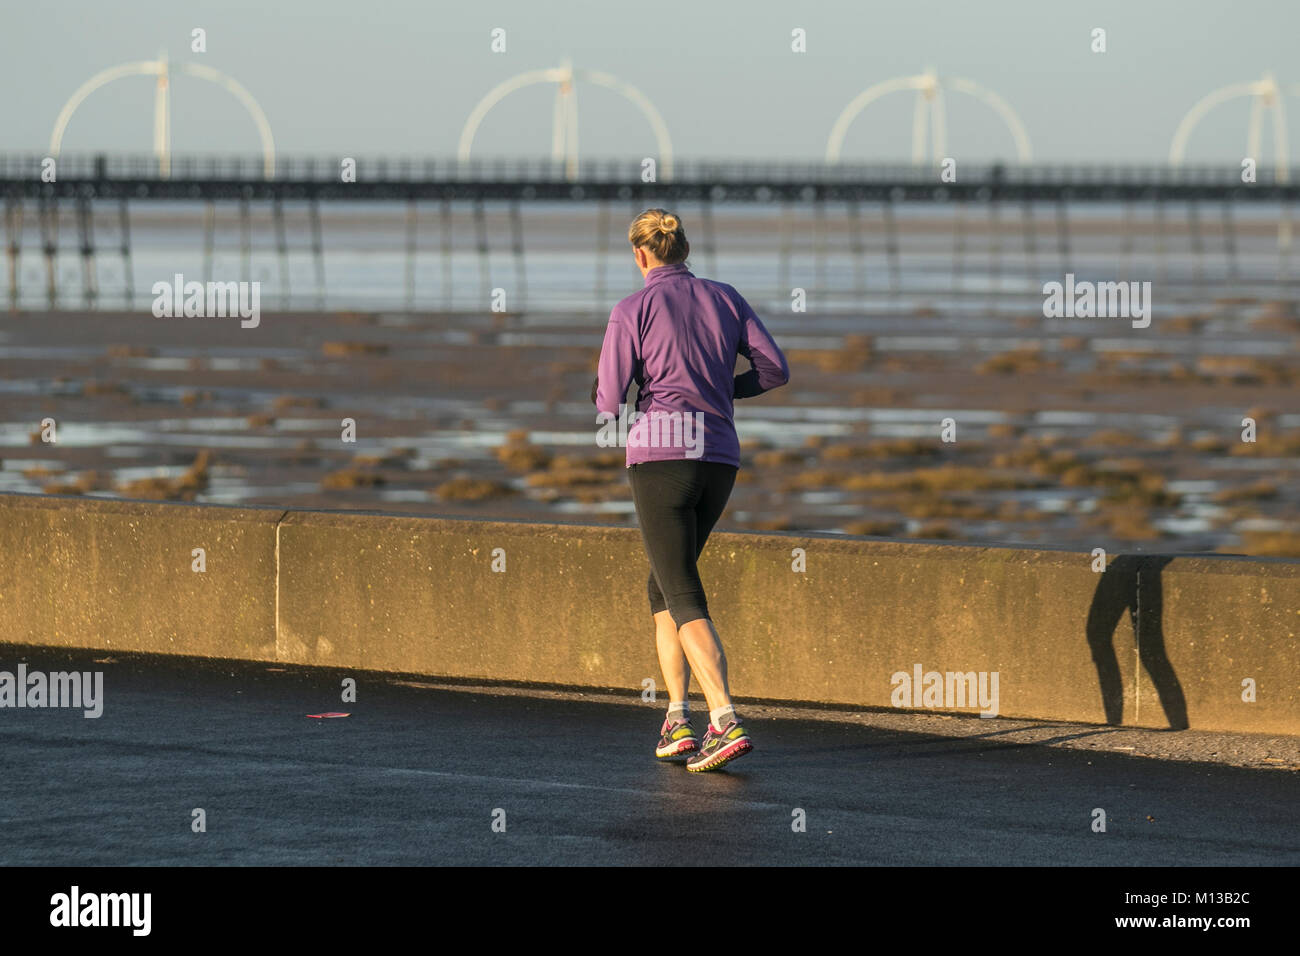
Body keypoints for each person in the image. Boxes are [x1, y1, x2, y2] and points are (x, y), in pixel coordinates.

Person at [592, 208, 789, 771]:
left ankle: (723, 719)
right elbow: (774, 370)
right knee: (663, 589)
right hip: (719, 459)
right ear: (683, 249)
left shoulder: (633, 308)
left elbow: (609, 401)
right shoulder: (726, 297)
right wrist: (724, 390)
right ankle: (677, 718)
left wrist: (623, 396)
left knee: (682, 594)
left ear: (640, 254)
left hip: (660, 459)